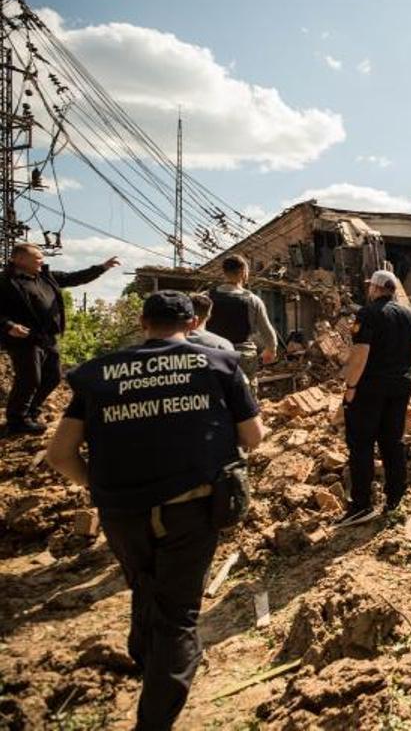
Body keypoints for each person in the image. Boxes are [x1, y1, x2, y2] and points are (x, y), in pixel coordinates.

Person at [46, 290, 264, 731]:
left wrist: (100, 485)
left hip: (121, 512)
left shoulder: (98, 374)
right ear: (191, 324)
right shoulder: (218, 365)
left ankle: (145, 658)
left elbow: (60, 454)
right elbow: (253, 435)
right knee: (180, 615)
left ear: (143, 323)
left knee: (144, 584)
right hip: (192, 507)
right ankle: (156, 718)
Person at [0, 242, 120, 434]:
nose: (42, 261)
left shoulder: (46, 277)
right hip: (24, 339)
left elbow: (74, 278)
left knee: (53, 377)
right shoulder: (6, 281)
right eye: (38, 258)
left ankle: (30, 413)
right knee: (30, 378)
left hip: (48, 338)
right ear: (20, 259)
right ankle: (16, 420)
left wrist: (102, 268)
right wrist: (9, 326)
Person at [338, 270, 411, 526]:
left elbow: (361, 354)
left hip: (370, 390)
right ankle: (395, 499)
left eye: (370, 287)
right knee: (393, 442)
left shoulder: (368, 314)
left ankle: (361, 505)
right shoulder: (410, 315)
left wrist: (350, 387)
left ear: (375, 288)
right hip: (400, 388)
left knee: (362, 444)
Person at [203, 255, 278, 389]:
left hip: (214, 354)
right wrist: (271, 350)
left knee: (217, 396)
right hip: (243, 356)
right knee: (246, 398)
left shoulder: (206, 297)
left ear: (223, 272)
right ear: (244, 272)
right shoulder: (252, 300)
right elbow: (266, 330)